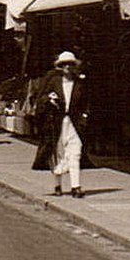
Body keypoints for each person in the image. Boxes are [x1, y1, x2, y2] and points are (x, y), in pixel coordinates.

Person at [32, 51, 89, 197]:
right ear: (61, 67)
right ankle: (57, 185)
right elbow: (41, 99)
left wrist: (84, 116)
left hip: (73, 123)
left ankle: (76, 186)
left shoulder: (79, 84)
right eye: (65, 65)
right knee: (58, 154)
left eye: (70, 64)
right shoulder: (54, 82)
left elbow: (85, 103)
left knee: (75, 152)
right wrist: (50, 100)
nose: (68, 67)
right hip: (56, 124)